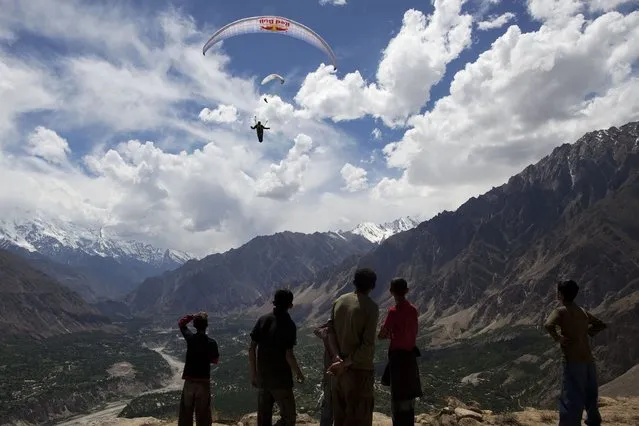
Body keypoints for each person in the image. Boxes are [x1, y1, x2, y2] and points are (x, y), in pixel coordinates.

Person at [544, 280, 607, 426]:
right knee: (591, 393)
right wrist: (586, 333)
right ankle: (593, 420)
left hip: (573, 359)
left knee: (572, 394)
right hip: (588, 359)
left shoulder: (560, 311)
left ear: (560, 294)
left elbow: (548, 325)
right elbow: (600, 324)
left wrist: (559, 338)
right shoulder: (583, 312)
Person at [327, 268, 380, 426]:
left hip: (338, 373)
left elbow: (330, 332)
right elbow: (367, 346)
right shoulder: (371, 307)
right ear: (373, 286)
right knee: (359, 418)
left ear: (354, 282)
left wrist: (337, 357)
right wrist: (346, 363)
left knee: (340, 417)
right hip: (359, 372)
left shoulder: (339, 301)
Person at [249, 289, 305, 426]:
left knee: (263, 419)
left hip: (263, 378)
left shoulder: (263, 319)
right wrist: (299, 373)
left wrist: (254, 375)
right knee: (289, 417)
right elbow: (289, 355)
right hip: (281, 380)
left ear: (274, 303)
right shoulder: (289, 325)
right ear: (290, 305)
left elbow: (251, 349)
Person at [378, 278, 422, 426]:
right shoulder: (413, 310)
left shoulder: (393, 311)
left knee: (397, 397)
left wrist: (387, 333)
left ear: (391, 292)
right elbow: (414, 331)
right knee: (409, 396)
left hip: (397, 359)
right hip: (410, 357)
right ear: (407, 291)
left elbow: (382, 335)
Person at [177, 311, 220, 426]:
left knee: (186, 412)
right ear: (206, 326)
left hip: (189, 381)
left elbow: (181, 323)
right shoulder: (212, 343)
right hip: (203, 381)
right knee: (203, 414)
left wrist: (191, 316)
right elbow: (215, 360)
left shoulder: (190, 338)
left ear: (194, 325)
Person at [314, 317, 341, 426]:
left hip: (329, 371)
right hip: (342, 369)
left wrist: (325, 324)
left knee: (328, 402)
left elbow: (316, 330)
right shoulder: (343, 333)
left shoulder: (324, 333)